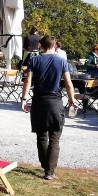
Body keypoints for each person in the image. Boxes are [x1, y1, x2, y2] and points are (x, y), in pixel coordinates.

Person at [21, 35, 80, 180]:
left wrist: (23, 99)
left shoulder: (34, 60)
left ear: (40, 46)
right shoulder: (61, 61)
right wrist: (72, 100)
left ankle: (44, 165)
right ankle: (50, 171)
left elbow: (28, 81)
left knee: (41, 135)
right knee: (54, 136)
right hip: (55, 102)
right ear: (55, 46)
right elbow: (68, 83)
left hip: (39, 101)